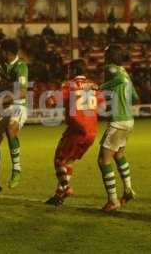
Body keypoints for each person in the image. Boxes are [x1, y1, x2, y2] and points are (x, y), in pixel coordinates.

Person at [45, 59, 100, 206]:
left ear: (74, 71)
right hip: (92, 132)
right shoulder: (94, 86)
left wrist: (49, 101)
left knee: (58, 160)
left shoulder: (70, 85)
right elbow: (101, 103)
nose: (67, 73)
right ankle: (59, 196)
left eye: (69, 70)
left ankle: (66, 187)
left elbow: (51, 101)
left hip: (77, 129)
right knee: (68, 162)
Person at [0, 39, 28, 199]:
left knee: (10, 129)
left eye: (1, 50)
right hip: (3, 106)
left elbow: (22, 92)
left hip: (18, 105)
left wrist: (2, 100)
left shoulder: (20, 66)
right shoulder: (0, 64)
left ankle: (16, 169)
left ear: (7, 52)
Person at [98, 44, 139, 212]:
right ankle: (128, 189)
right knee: (119, 155)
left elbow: (116, 81)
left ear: (109, 56)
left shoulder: (111, 69)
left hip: (118, 122)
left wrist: (98, 88)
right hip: (129, 120)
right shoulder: (125, 72)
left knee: (103, 160)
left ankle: (113, 201)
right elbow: (135, 96)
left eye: (105, 54)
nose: (103, 57)